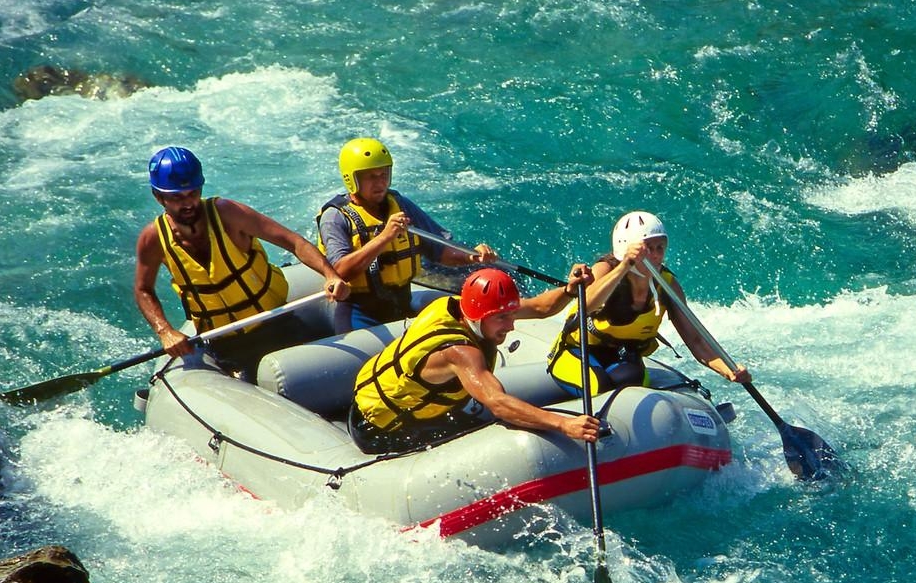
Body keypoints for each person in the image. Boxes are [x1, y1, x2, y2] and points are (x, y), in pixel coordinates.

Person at [134, 146, 350, 378]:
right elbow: (143, 289)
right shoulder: (153, 239)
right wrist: (165, 331)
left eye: (193, 193)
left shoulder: (228, 214)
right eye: (177, 197)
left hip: (277, 324)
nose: (188, 204)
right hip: (225, 343)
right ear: (159, 197)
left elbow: (293, 242)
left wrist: (330, 275)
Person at [351, 267, 601, 454]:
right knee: (485, 437)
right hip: (382, 430)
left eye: (511, 315)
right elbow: (499, 404)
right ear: (479, 316)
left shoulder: (463, 308)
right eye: (502, 318)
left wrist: (569, 290)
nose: (512, 325)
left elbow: (539, 308)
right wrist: (565, 425)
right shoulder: (461, 353)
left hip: (389, 401)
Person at [547, 211, 751, 396]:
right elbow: (586, 305)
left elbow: (696, 340)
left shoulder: (667, 286)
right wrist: (625, 266)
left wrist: (728, 371)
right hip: (577, 351)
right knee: (599, 386)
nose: (655, 255)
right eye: (647, 249)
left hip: (621, 356)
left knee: (632, 383)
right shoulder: (605, 270)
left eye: (660, 248)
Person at [316, 137, 499, 333]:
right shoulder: (335, 217)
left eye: (383, 174)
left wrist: (472, 256)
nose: (380, 182)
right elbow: (339, 271)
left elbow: (440, 251)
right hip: (359, 315)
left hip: (402, 306)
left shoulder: (401, 204)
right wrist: (385, 237)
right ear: (351, 179)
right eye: (371, 176)